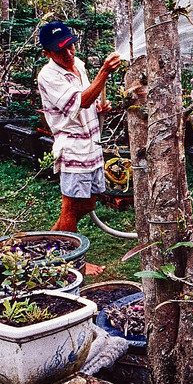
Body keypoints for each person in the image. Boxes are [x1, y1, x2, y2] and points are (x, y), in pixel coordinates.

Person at [36, 21, 121, 234]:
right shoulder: (49, 76)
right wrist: (104, 72)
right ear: (47, 53)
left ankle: (53, 242)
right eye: (59, 50)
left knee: (88, 204)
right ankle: (70, 261)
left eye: (70, 46)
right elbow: (79, 102)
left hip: (92, 144)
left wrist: (99, 108)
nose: (68, 53)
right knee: (71, 209)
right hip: (73, 148)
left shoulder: (79, 65)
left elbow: (87, 99)